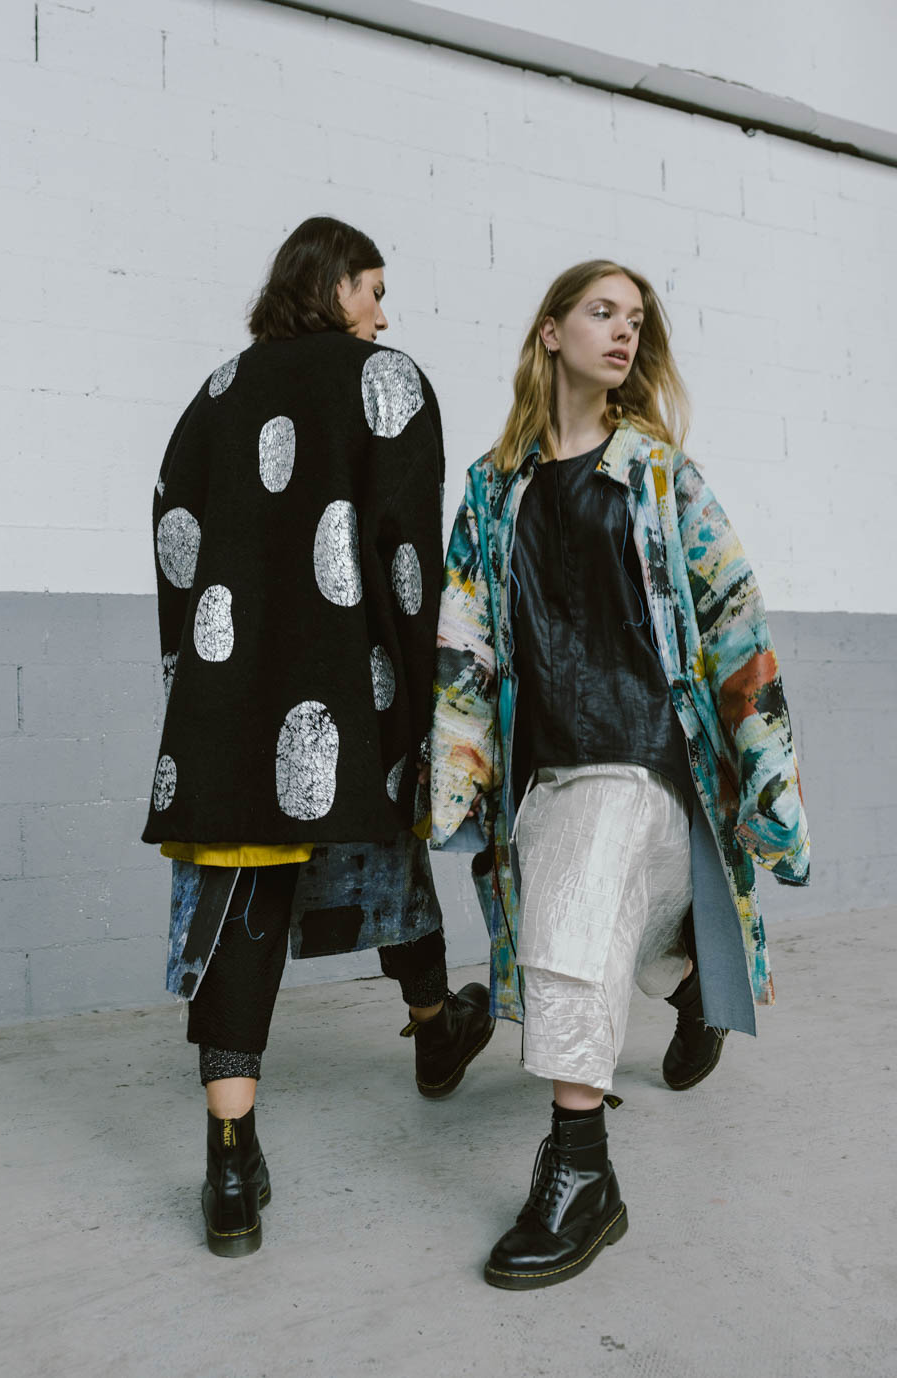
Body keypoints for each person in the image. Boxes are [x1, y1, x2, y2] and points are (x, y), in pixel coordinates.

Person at [429, 259, 809, 1290]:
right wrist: (454, 777)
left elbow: (734, 618)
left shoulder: (659, 475)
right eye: (601, 312)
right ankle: (689, 988)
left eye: (635, 318)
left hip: (644, 758)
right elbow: (464, 640)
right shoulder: (492, 489)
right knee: (589, 939)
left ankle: (581, 1171)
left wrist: (769, 782)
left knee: (573, 919)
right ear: (550, 332)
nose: (623, 331)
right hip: (542, 772)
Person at [142, 217, 494, 1258]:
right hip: (353, 676)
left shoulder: (216, 391)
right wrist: (417, 694)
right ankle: (434, 1029)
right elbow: (407, 553)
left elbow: (174, 537)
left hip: (231, 692)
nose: (383, 311)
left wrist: (199, 684)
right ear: (334, 284)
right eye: (372, 287)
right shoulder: (385, 380)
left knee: (243, 891)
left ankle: (230, 1164)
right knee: (382, 844)